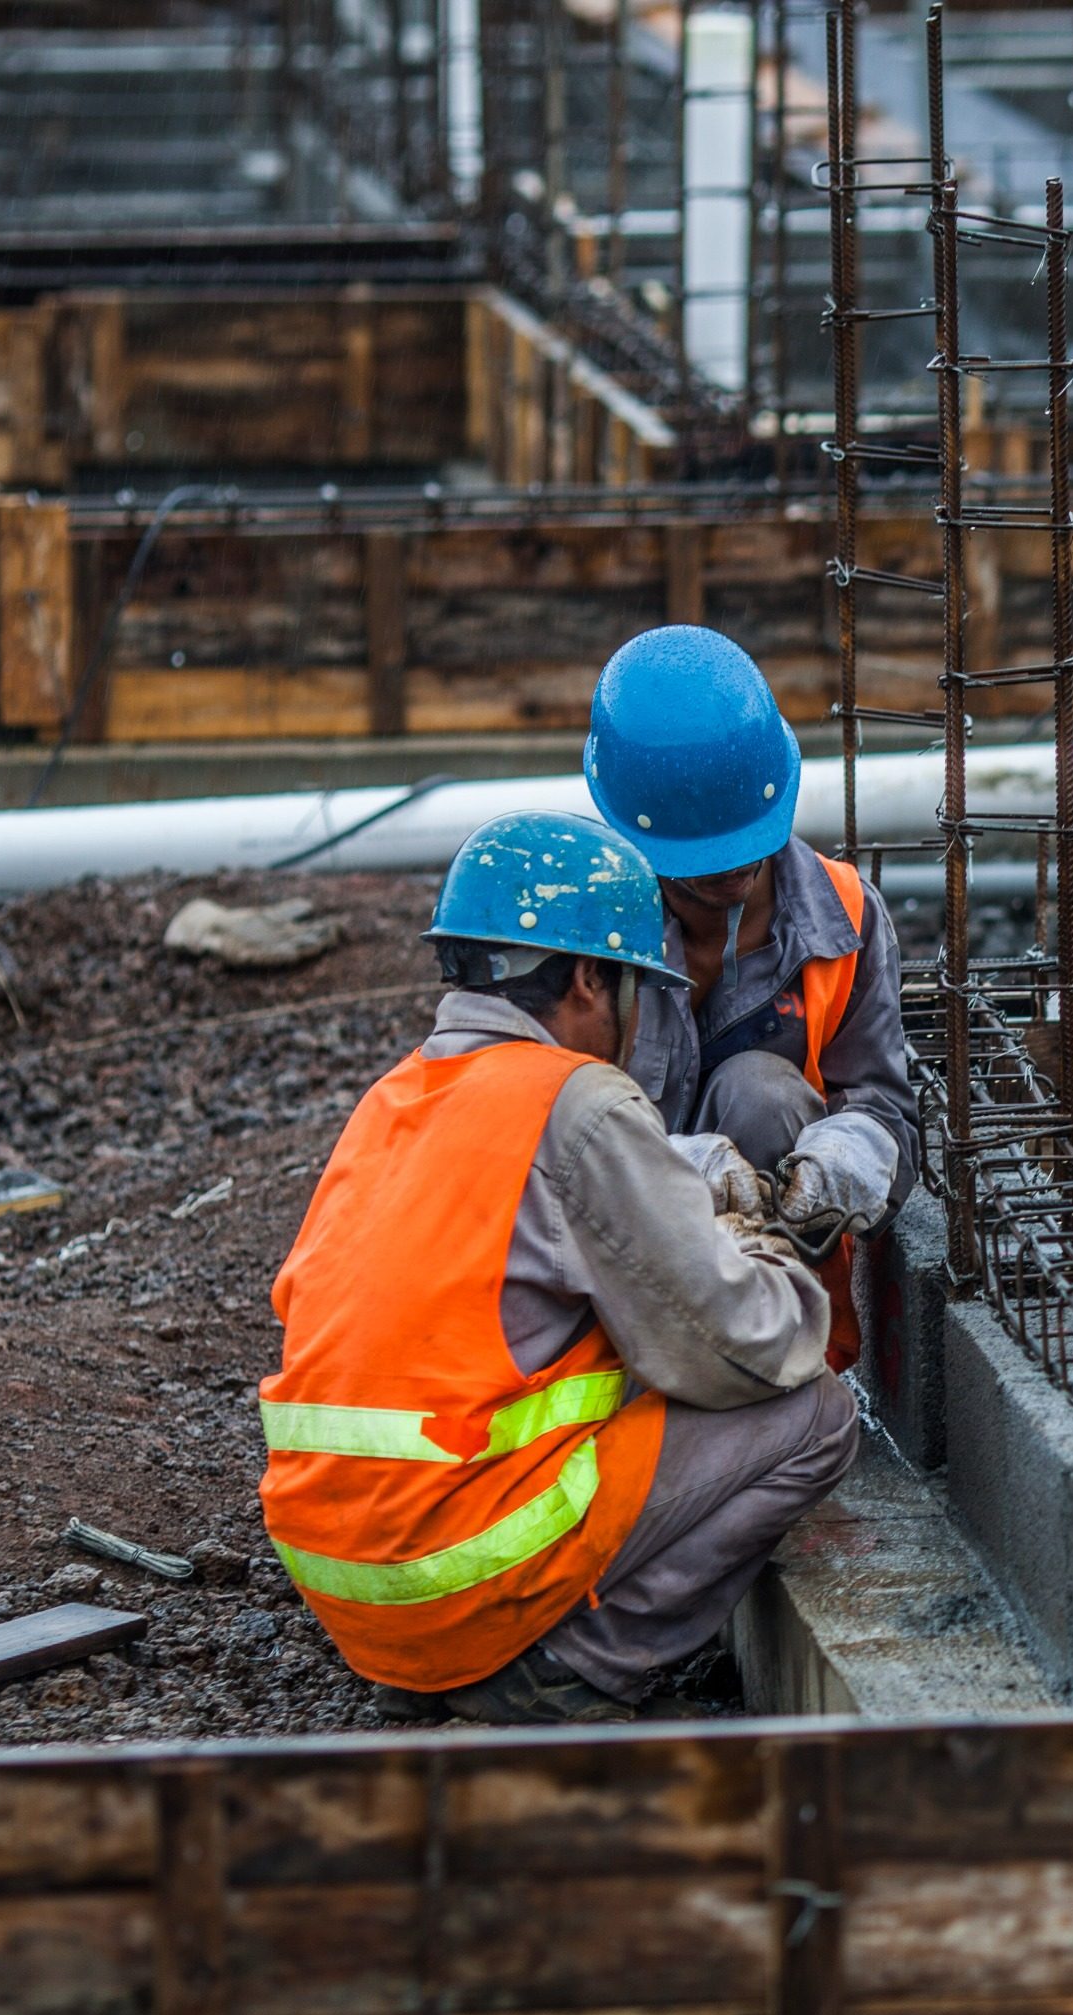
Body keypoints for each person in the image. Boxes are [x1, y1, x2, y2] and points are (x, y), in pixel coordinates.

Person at [257, 810, 857, 1724]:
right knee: (814, 1412)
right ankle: (572, 1669)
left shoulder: (391, 1101)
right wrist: (762, 1246)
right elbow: (748, 1345)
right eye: (631, 991)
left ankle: (457, 1657)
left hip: (345, 1582)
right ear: (587, 978)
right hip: (452, 1572)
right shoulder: (572, 1100)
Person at [582, 625, 920, 1367]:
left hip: (771, 1285)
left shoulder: (844, 917)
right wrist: (667, 1171)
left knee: (761, 1092)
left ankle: (778, 1357)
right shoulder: (589, 928)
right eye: (704, 867)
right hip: (607, 1256)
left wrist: (850, 1155)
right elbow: (533, 1124)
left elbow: (888, 1106)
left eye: (745, 854)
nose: (734, 878)